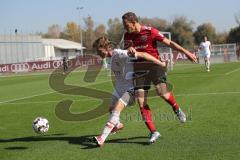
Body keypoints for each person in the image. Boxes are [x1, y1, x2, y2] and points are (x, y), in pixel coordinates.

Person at [121, 12, 197, 141]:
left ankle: (176, 109)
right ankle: (153, 132)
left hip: (155, 65)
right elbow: (127, 51)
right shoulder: (127, 35)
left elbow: (170, 44)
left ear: (134, 23)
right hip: (139, 69)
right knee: (141, 101)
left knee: (162, 93)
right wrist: (130, 51)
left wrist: (186, 52)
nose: (125, 27)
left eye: (126, 25)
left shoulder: (150, 32)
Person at [92, 36, 167, 147]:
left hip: (130, 89)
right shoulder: (108, 58)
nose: (98, 54)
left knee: (116, 110)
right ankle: (117, 125)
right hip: (118, 89)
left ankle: (101, 138)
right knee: (111, 110)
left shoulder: (118, 53)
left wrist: (160, 63)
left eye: (98, 51)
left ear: (105, 48)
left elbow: (140, 54)